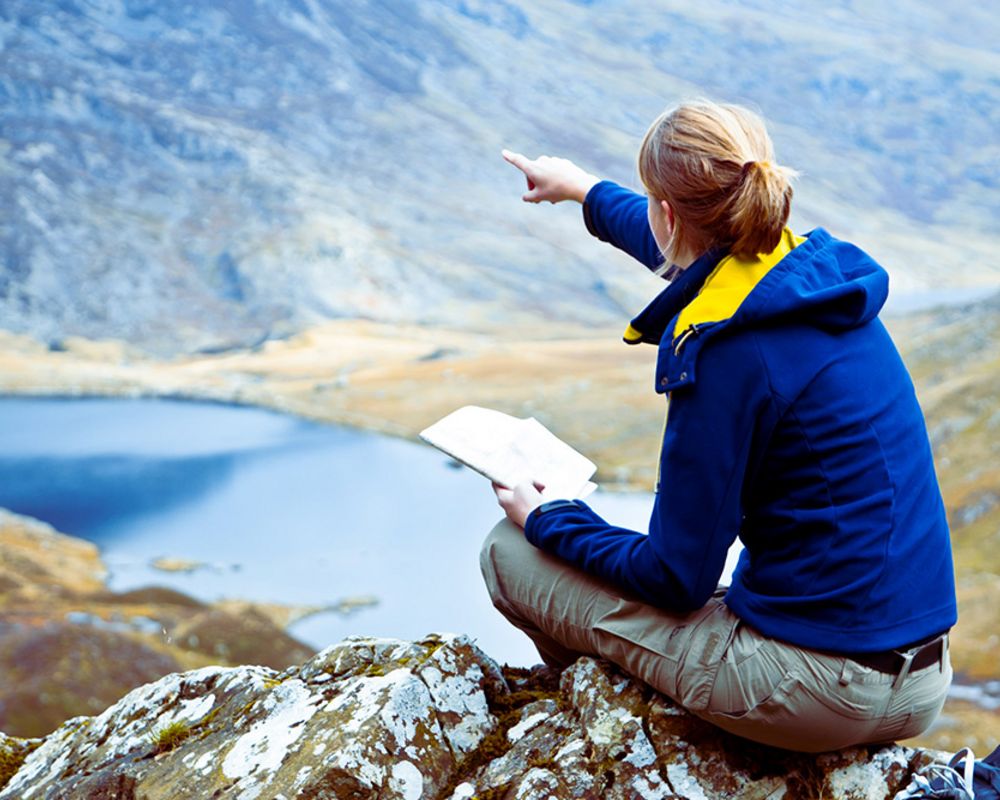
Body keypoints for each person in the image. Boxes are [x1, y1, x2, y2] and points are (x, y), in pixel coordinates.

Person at [481, 100, 956, 752]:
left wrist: (548, 517)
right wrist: (582, 191)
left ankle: (593, 713)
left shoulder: (729, 352)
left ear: (671, 213)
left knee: (510, 554)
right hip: (920, 679)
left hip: (819, 693)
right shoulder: (810, 279)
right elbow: (685, 249)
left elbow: (675, 579)